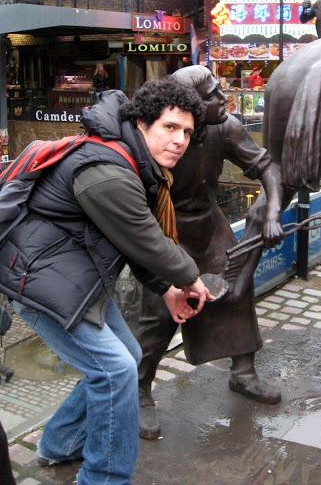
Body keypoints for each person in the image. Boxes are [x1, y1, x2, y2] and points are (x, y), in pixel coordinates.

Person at [0, 81, 213, 485]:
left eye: (186, 132)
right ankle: (103, 478)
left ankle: (59, 443)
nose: (180, 140)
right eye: (169, 127)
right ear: (141, 124)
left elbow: (127, 241)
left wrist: (166, 290)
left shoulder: (133, 163)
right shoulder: (107, 169)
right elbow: (144, 238)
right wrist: (189, 278)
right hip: (40, 281)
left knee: (127, 357)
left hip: (74, 278)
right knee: (114, 371)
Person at [134, 66, 284, 440]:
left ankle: (244, 372)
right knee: (158, 313)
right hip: (166, 227)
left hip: (209, 222)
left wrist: (273, 209)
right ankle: (139, 391)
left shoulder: (226, 127)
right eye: (213, 95)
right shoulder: (155, 137)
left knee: (236, 290)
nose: (222, 99)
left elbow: (265, 166)